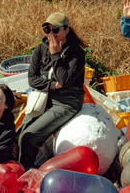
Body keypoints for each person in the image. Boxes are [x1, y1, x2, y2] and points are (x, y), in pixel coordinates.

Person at [18, 12, 87, 169]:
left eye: (55, 30)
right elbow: (32, 78)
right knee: (21, 133)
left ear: (66, 30)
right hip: (45, 97)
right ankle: (24, 168)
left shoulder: (76, 53)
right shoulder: (41, 49)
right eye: (47, 30)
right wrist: (52, 85)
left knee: (30, 138)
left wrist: (56, 55)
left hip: (66, 102)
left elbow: (64, 80)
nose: (51, 35)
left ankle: (27, 171)